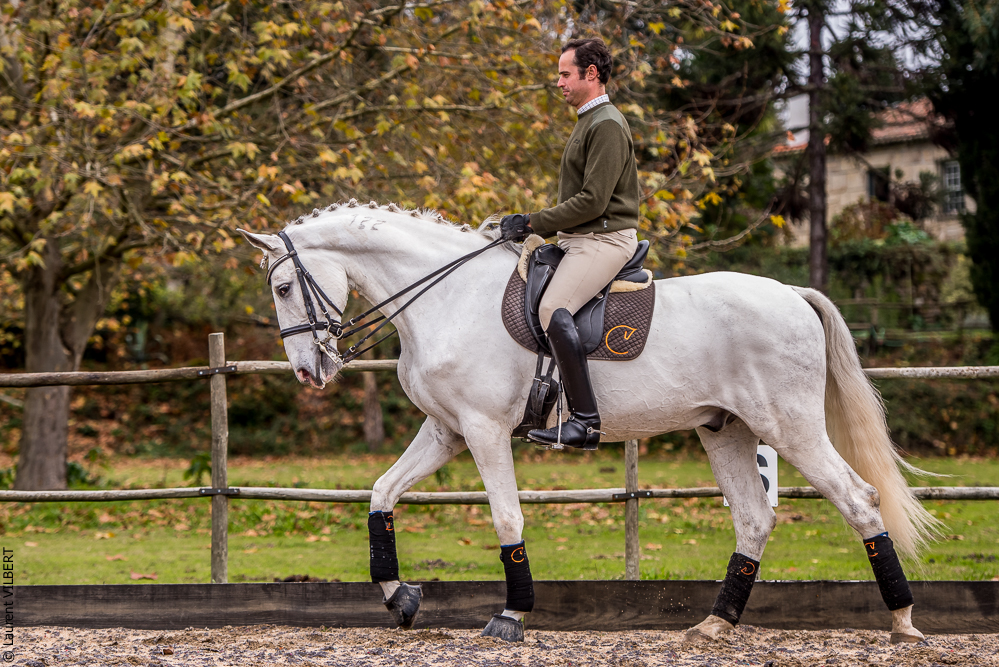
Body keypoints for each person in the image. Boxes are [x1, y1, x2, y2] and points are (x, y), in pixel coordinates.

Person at [500, 37, 640, 449]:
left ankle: (585, 421)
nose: (557, 82)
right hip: (582, 239)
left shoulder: (607, 124)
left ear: (590, 74)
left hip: (605, 239)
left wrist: (532, 222)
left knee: (553, 307)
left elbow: (593, 201)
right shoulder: (588, 121)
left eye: (564, 74)